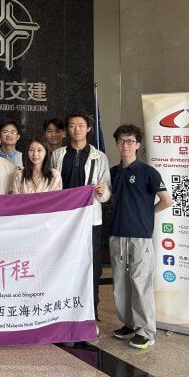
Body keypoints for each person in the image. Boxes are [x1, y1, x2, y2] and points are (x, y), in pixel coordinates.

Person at [109, 124, 172, 350]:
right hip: (117, 234)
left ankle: (145, 331)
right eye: (121, 141)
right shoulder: (113, 172)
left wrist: (147, 214)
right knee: (120, 283)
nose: (125, 145)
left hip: (140, 237)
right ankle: (129, 324)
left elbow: (166, 200)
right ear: (117, 144)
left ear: (137, 145)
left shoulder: (148, 172)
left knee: (140, 282)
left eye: (130, 141)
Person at [51, 112, 111, 316]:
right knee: (63, 264)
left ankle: (90, 312)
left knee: (91, 266)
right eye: (72, 125)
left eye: (80, 125)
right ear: (67, 130)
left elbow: (106, 190)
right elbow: (53, 187)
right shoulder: (58, 155)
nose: (76, 129)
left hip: (90, 220)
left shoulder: (99, 156)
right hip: (64, 221)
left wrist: (102, 191)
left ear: (88, 129)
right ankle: (64, 310)